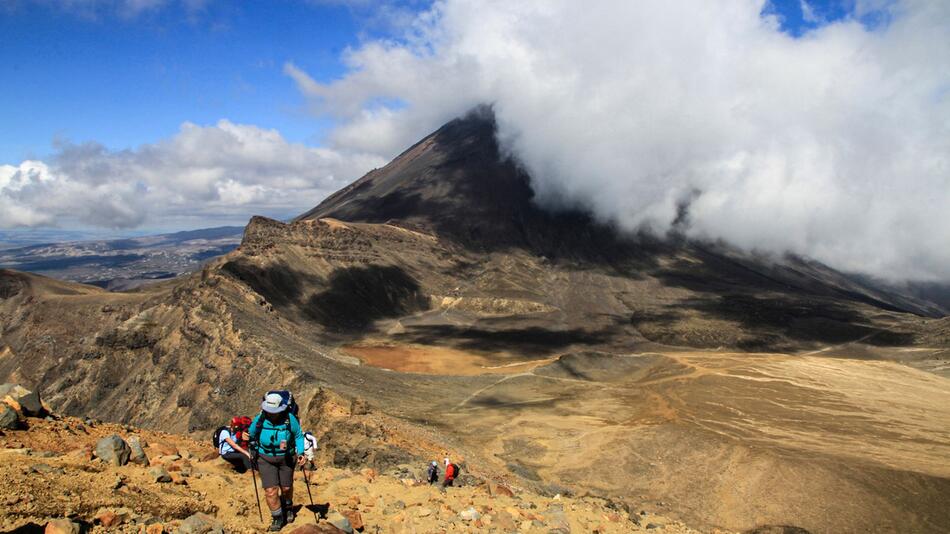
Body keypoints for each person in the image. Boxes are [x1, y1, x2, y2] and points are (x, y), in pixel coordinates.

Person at [249, 392, 306, 531]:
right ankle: (277, 517)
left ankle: (288, 505)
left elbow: (298, 436)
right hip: (265, 458)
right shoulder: (260, 419)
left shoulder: (289, 419)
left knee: (286, 488)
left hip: (286, 457)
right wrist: (251, 447)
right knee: (270, 491)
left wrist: (301, 452)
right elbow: (251, 433)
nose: (271, 413)